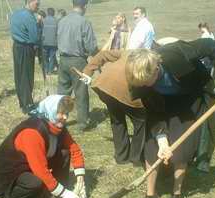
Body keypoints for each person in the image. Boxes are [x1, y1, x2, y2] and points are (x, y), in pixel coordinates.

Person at [124, 39, 215, 198]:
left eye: (145, 82)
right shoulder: (140, 83)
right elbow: (153, 111)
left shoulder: (177, 55)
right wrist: (162, 140)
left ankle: (176, 194)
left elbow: (211, 46)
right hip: (163, 104)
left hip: (191, 99)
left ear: (156, 69)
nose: (141, 85)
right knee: (150, 148)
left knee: (180, 151)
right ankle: (150, 196)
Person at [0, 95, 87, 198]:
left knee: (64, 153)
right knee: (35, 182)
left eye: (67, 113)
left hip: (27, 168)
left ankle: (52, 193)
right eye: (61, 113)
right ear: (50, 111)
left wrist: (80, 179)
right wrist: (65, 194)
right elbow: (40, 171)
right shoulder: (32, 133)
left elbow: (74, 149)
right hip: (5, 177)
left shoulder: (57, 127)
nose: (65, 118)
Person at [80, 50, 146, 165]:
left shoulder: (129, 52)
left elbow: (102, 54)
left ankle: (121, 157)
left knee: (117, 121)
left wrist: (87, 71)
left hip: (105, 87)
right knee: (141, 122)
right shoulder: (150, 61)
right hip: (125, 91)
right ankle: (136, 158)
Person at [57, 0, 98, 132]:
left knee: (62, 92)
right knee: (81, 92)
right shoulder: (84, 22)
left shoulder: (62, 21)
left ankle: (59, 120)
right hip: (78, 61)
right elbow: (91, 47)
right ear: (85, 6)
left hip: (63, 60)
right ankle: (82, 123)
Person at [10, 0, 40, 114]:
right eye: (37, 4)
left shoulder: (15, 14)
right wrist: (38, 24)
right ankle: (28, 104)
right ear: (29, 2)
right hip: (26, 48)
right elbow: (34, 37)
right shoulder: (29, 17)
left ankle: (22, 102)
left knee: (19, 75)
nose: (38, 7)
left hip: (16, 46)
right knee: (27, 76)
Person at [42, 8, 58, 74]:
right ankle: (50, 71)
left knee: (45, 57)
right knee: (52, 57)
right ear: (53, 13)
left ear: (48, 13)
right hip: (53, 42)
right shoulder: (56, 21)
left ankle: (46, 69)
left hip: (44, 42)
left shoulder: (43, 21)